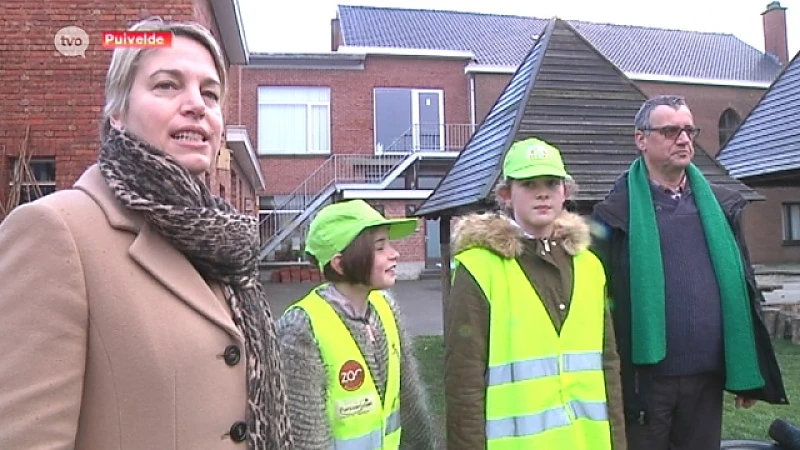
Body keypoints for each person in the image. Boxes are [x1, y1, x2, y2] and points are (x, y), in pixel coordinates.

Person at [0, 18, 293, 449]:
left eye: (209, 93)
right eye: (167, 86)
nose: (197, 105)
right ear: (117, 113)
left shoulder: (221, 240)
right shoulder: (54, 232)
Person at [590, 94, 788, 450]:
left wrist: (748, 372)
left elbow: (744, 289)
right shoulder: (614, 215)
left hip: (705, 379)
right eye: (670, 131)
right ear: (641, 139)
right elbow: (598, 304)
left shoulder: (721, 208)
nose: (683, 139)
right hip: (643, 383)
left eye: (688, 130)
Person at [445, 137, 627, 450]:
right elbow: (464, 379)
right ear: (506, 194)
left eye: (551, 183)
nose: (542, 192)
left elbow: (608, 365)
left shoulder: (589, 266)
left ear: (565, 192)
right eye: (529, 184)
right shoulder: (478, 267)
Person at [275, 199, 440, 450]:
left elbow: (410, 401)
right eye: (380, 247)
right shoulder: (301, 328)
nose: (395, 253)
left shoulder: (386, 308)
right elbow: (306, 437)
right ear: (340, 264)